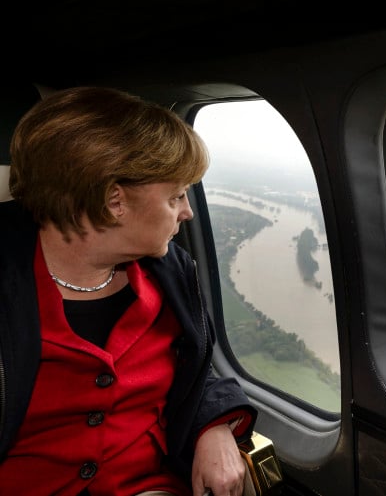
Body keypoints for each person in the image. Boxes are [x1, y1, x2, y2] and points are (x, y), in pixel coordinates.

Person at [0, 86, 258, 496]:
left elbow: (194, 369)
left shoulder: (172, 275)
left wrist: (216, 427)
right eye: (175, 196)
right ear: (113, 201)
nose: (188, 212)